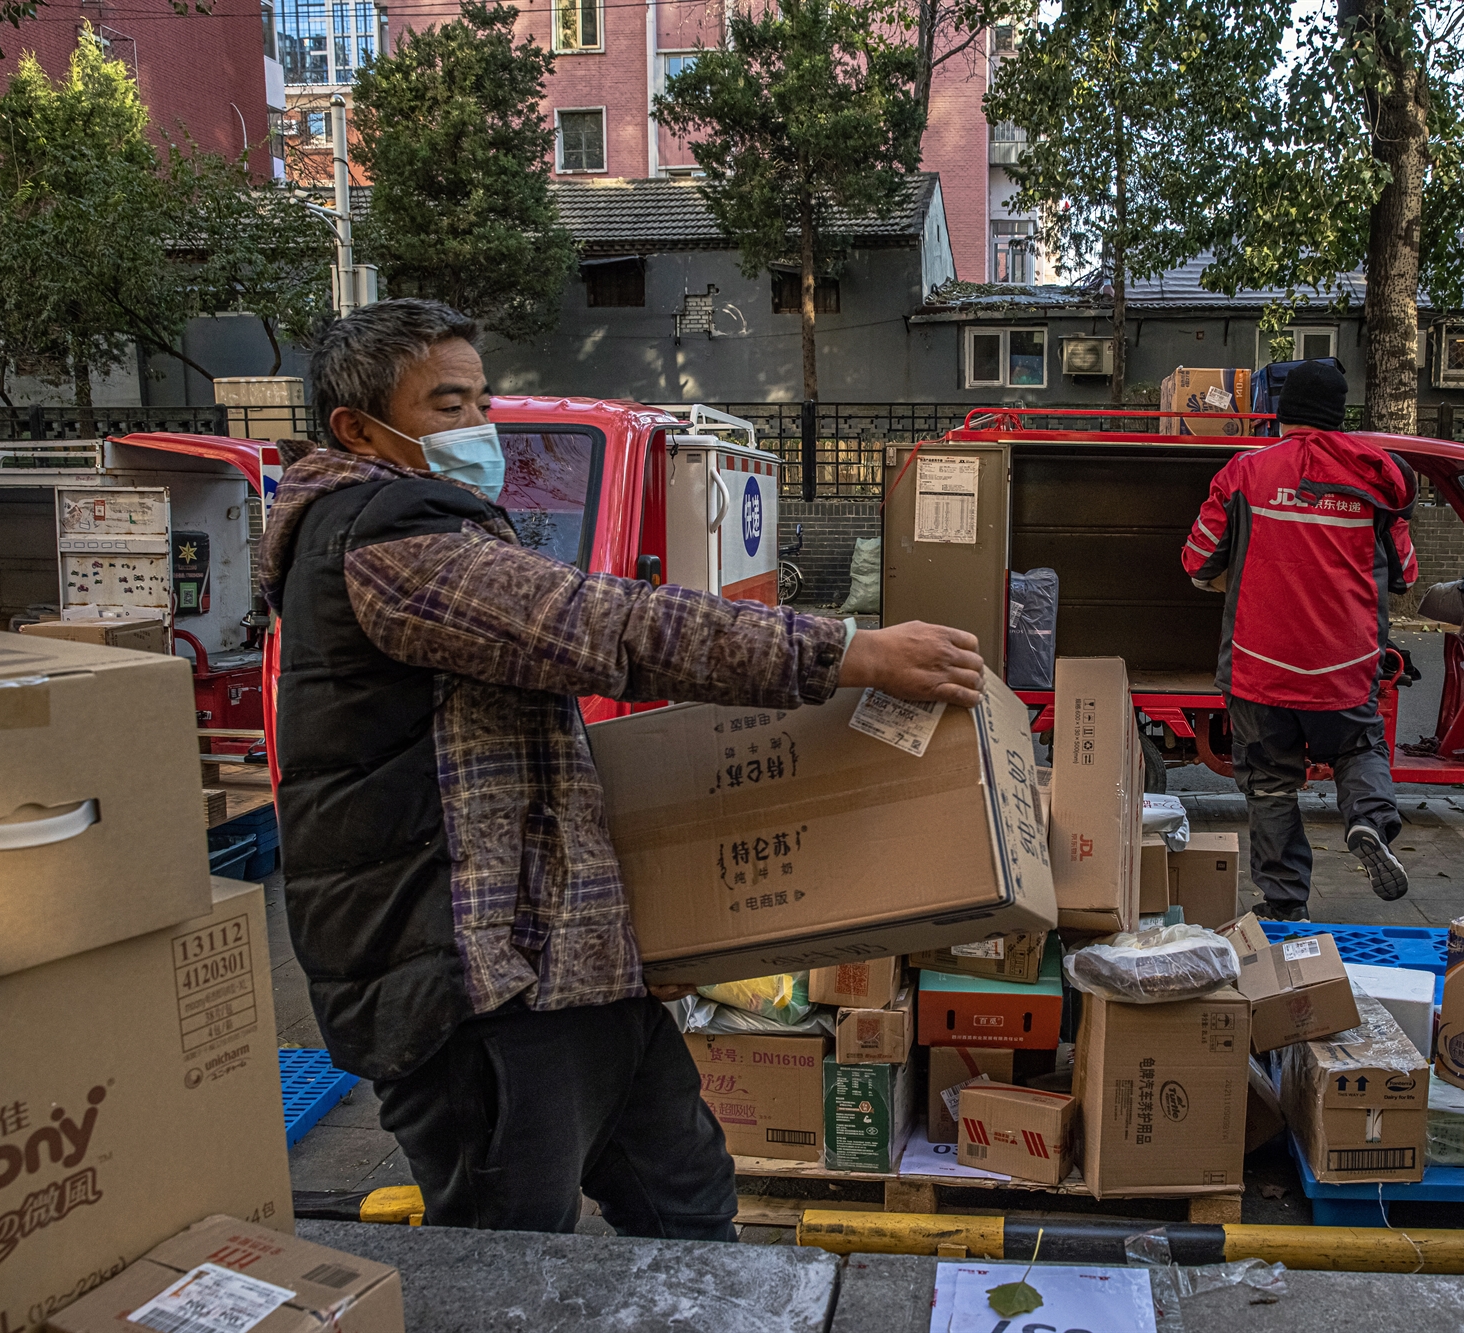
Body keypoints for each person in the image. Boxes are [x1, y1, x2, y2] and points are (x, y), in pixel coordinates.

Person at [259, 298, 984, 1239]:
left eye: (483, 401)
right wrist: (850, 650)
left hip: (568, 966)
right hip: (472, 984)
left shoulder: (441, 522)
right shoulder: (379, 539)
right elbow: (608, 624)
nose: (480, 427)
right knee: (509, 1254)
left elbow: (541, 768)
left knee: (686, 1191)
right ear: (358, 428)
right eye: (449, 406)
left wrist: (643, 942)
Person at [1180, 358, 1416, 921]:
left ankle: (1285, 906)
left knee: (1269, 785)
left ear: (1282, 415)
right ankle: (1367, 819)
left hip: (1259, 668)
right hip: (1346, 664)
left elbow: (1195, 560)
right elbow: (1404, 574)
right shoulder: (1376, 480)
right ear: (1338, 416)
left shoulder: (1244, 473)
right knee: (1360, 749)